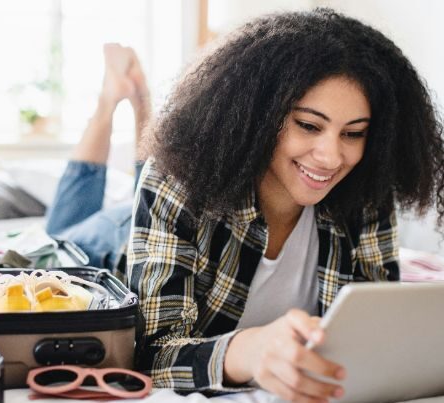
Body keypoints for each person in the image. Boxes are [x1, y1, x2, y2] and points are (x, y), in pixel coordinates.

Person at [127, 7, 444, 402]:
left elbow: (376, 341)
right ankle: (127, 100)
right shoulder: (179, 180)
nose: (331, 157)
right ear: (257, 116)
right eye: (308, 125)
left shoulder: (366, 192)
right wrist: (250, 352)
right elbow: (147, 354)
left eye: (354, 133)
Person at [45, 43, 150, 274]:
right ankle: (119, 100)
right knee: (152, 189)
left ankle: (119, 99)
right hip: (131, 221)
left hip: (121, 230)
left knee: (55, 243)